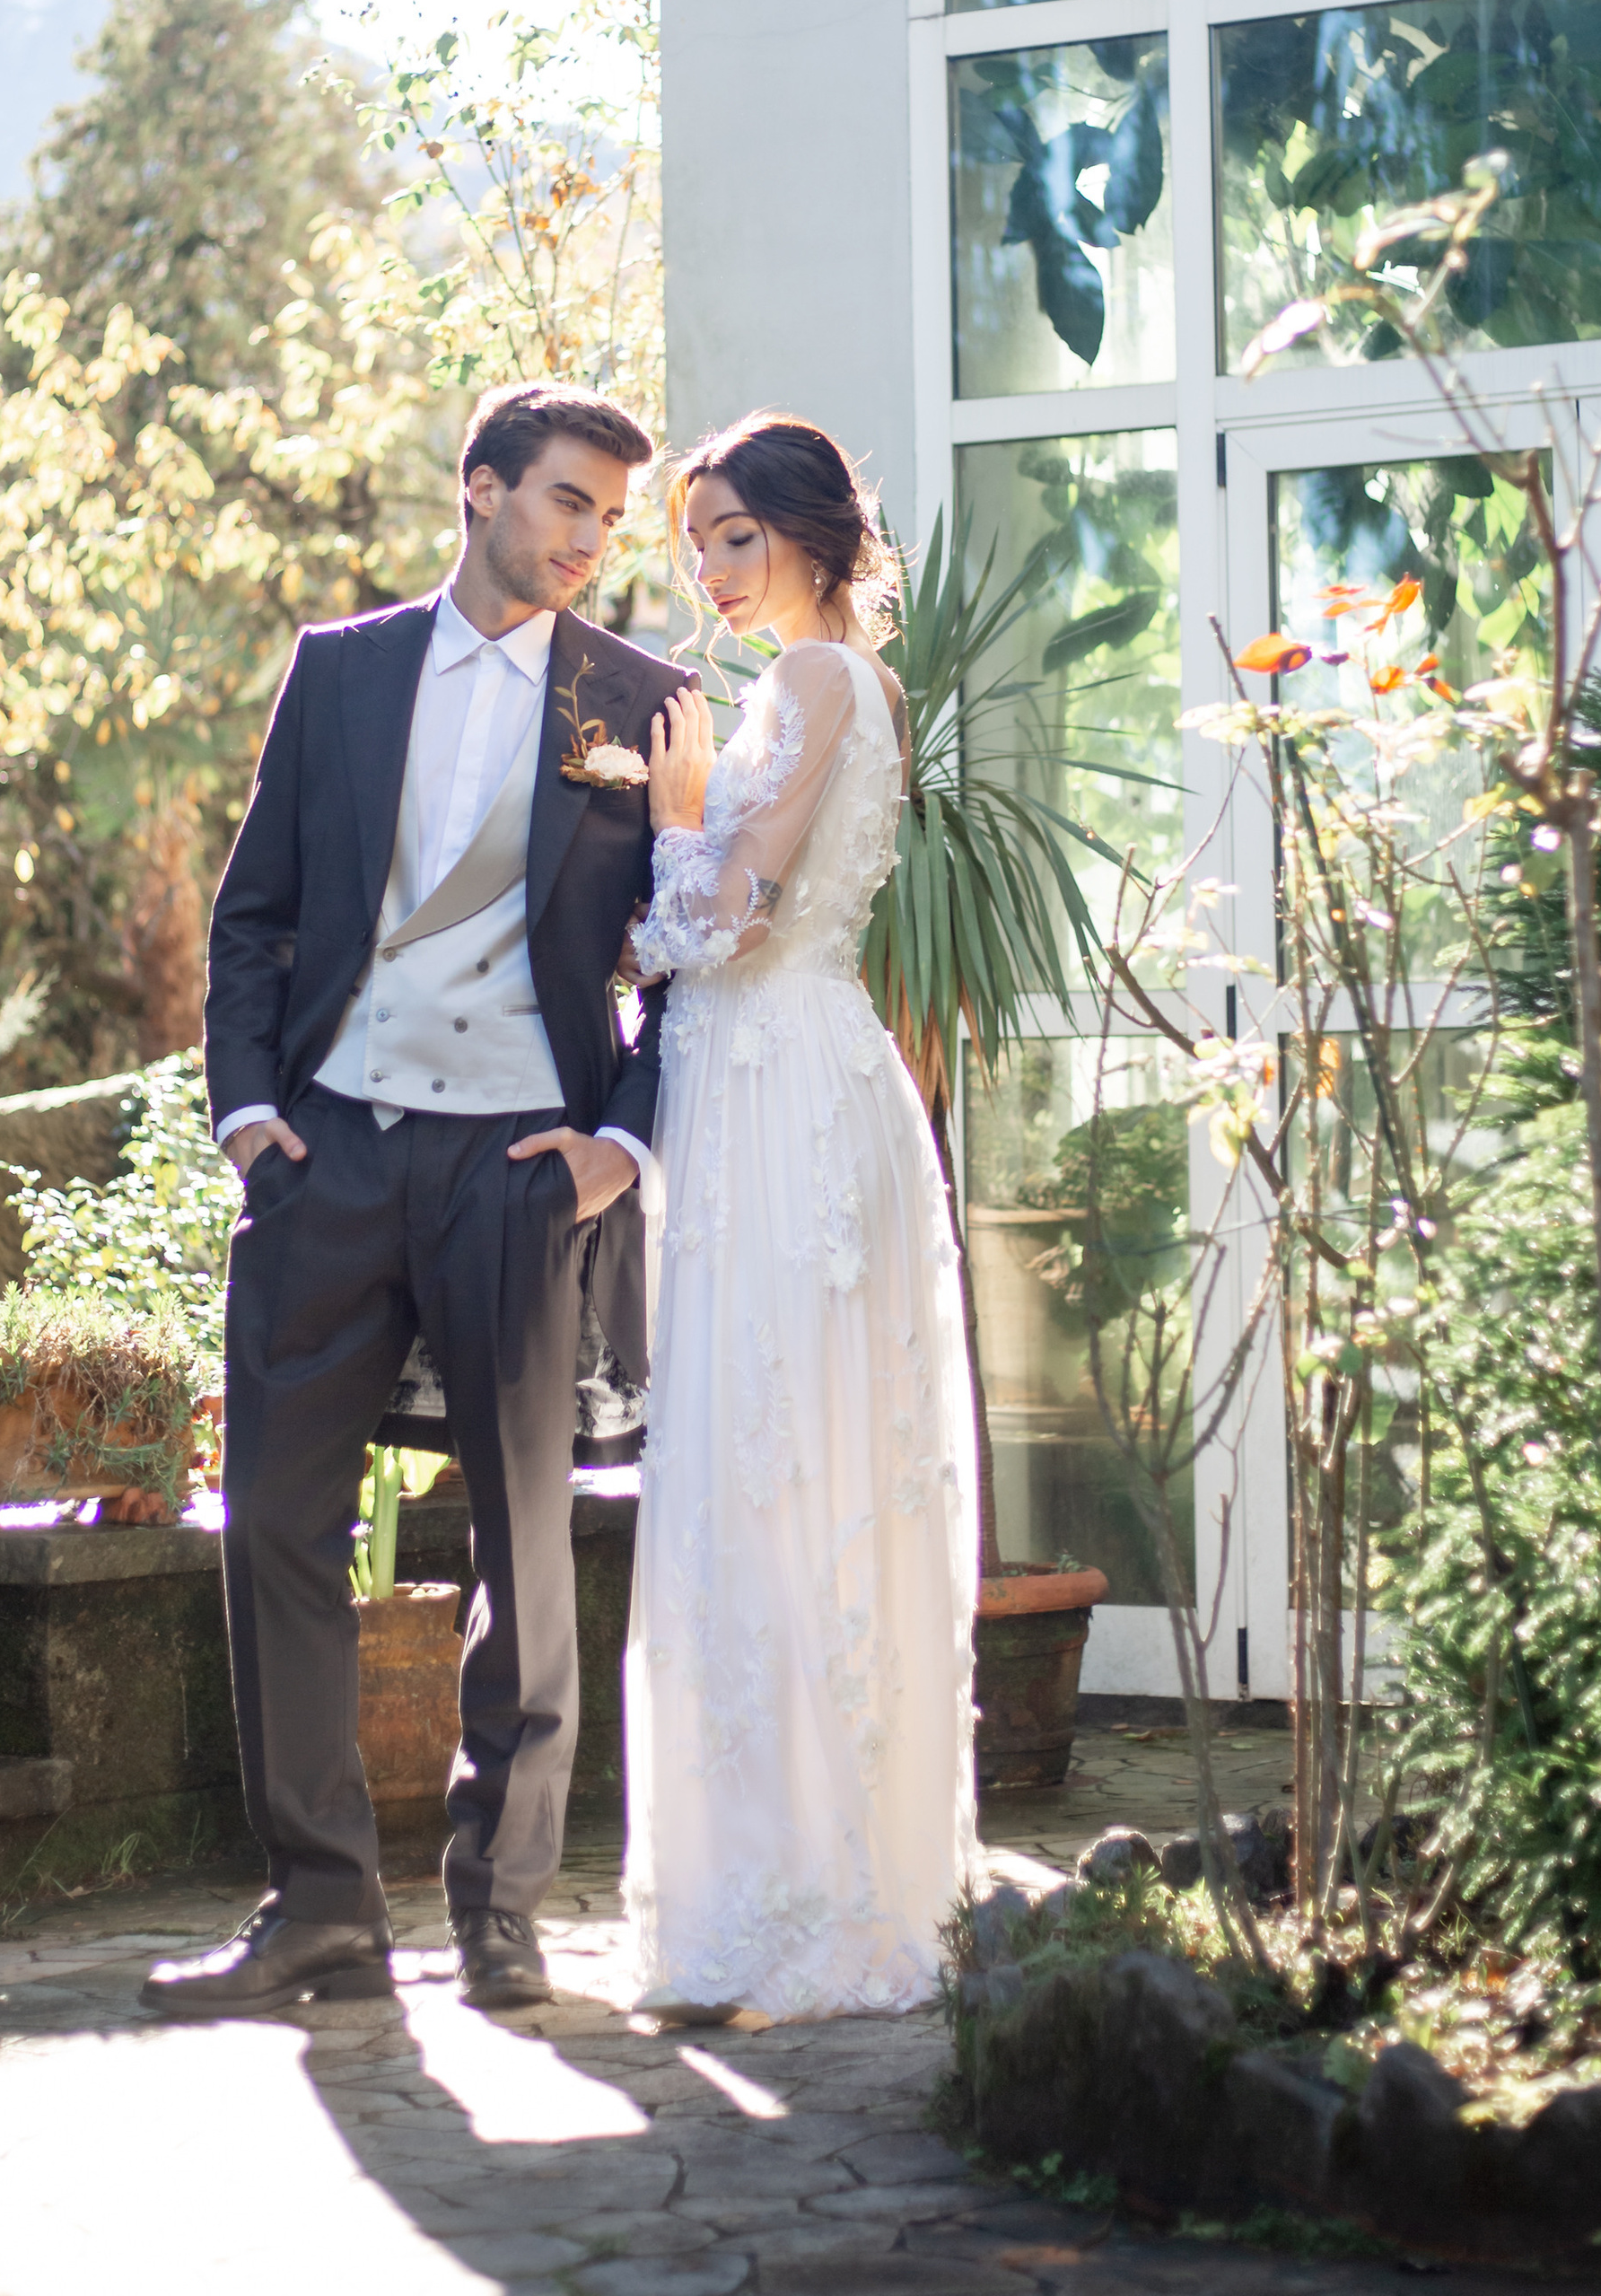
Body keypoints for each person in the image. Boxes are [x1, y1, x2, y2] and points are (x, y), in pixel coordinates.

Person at [143, 382, 691, 2024]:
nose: (591, 541)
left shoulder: (641, 702)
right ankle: (319, 1911)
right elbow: (256, 920)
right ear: (481, 489)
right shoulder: (342, 669)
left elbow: (691, 964)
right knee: (277, 1529)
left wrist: (623, 1145)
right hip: (329, 1154)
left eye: (609, 515)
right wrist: (250, 1116)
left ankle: (502, 1911)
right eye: (568, 503)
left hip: (520, 1163)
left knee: (526, 1546)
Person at [623, 412, 981, 2020]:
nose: (709, 570)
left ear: (812, 536)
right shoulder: (822, 687)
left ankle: (813, 1898)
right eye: (695, 542)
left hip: (784, 1098)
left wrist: (666, 816)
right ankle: (771, 1883)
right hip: (759, 1094)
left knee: (782, 1464)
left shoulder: (825, 683)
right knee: (761, 1464)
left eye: (732, 538)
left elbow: (733, 919)